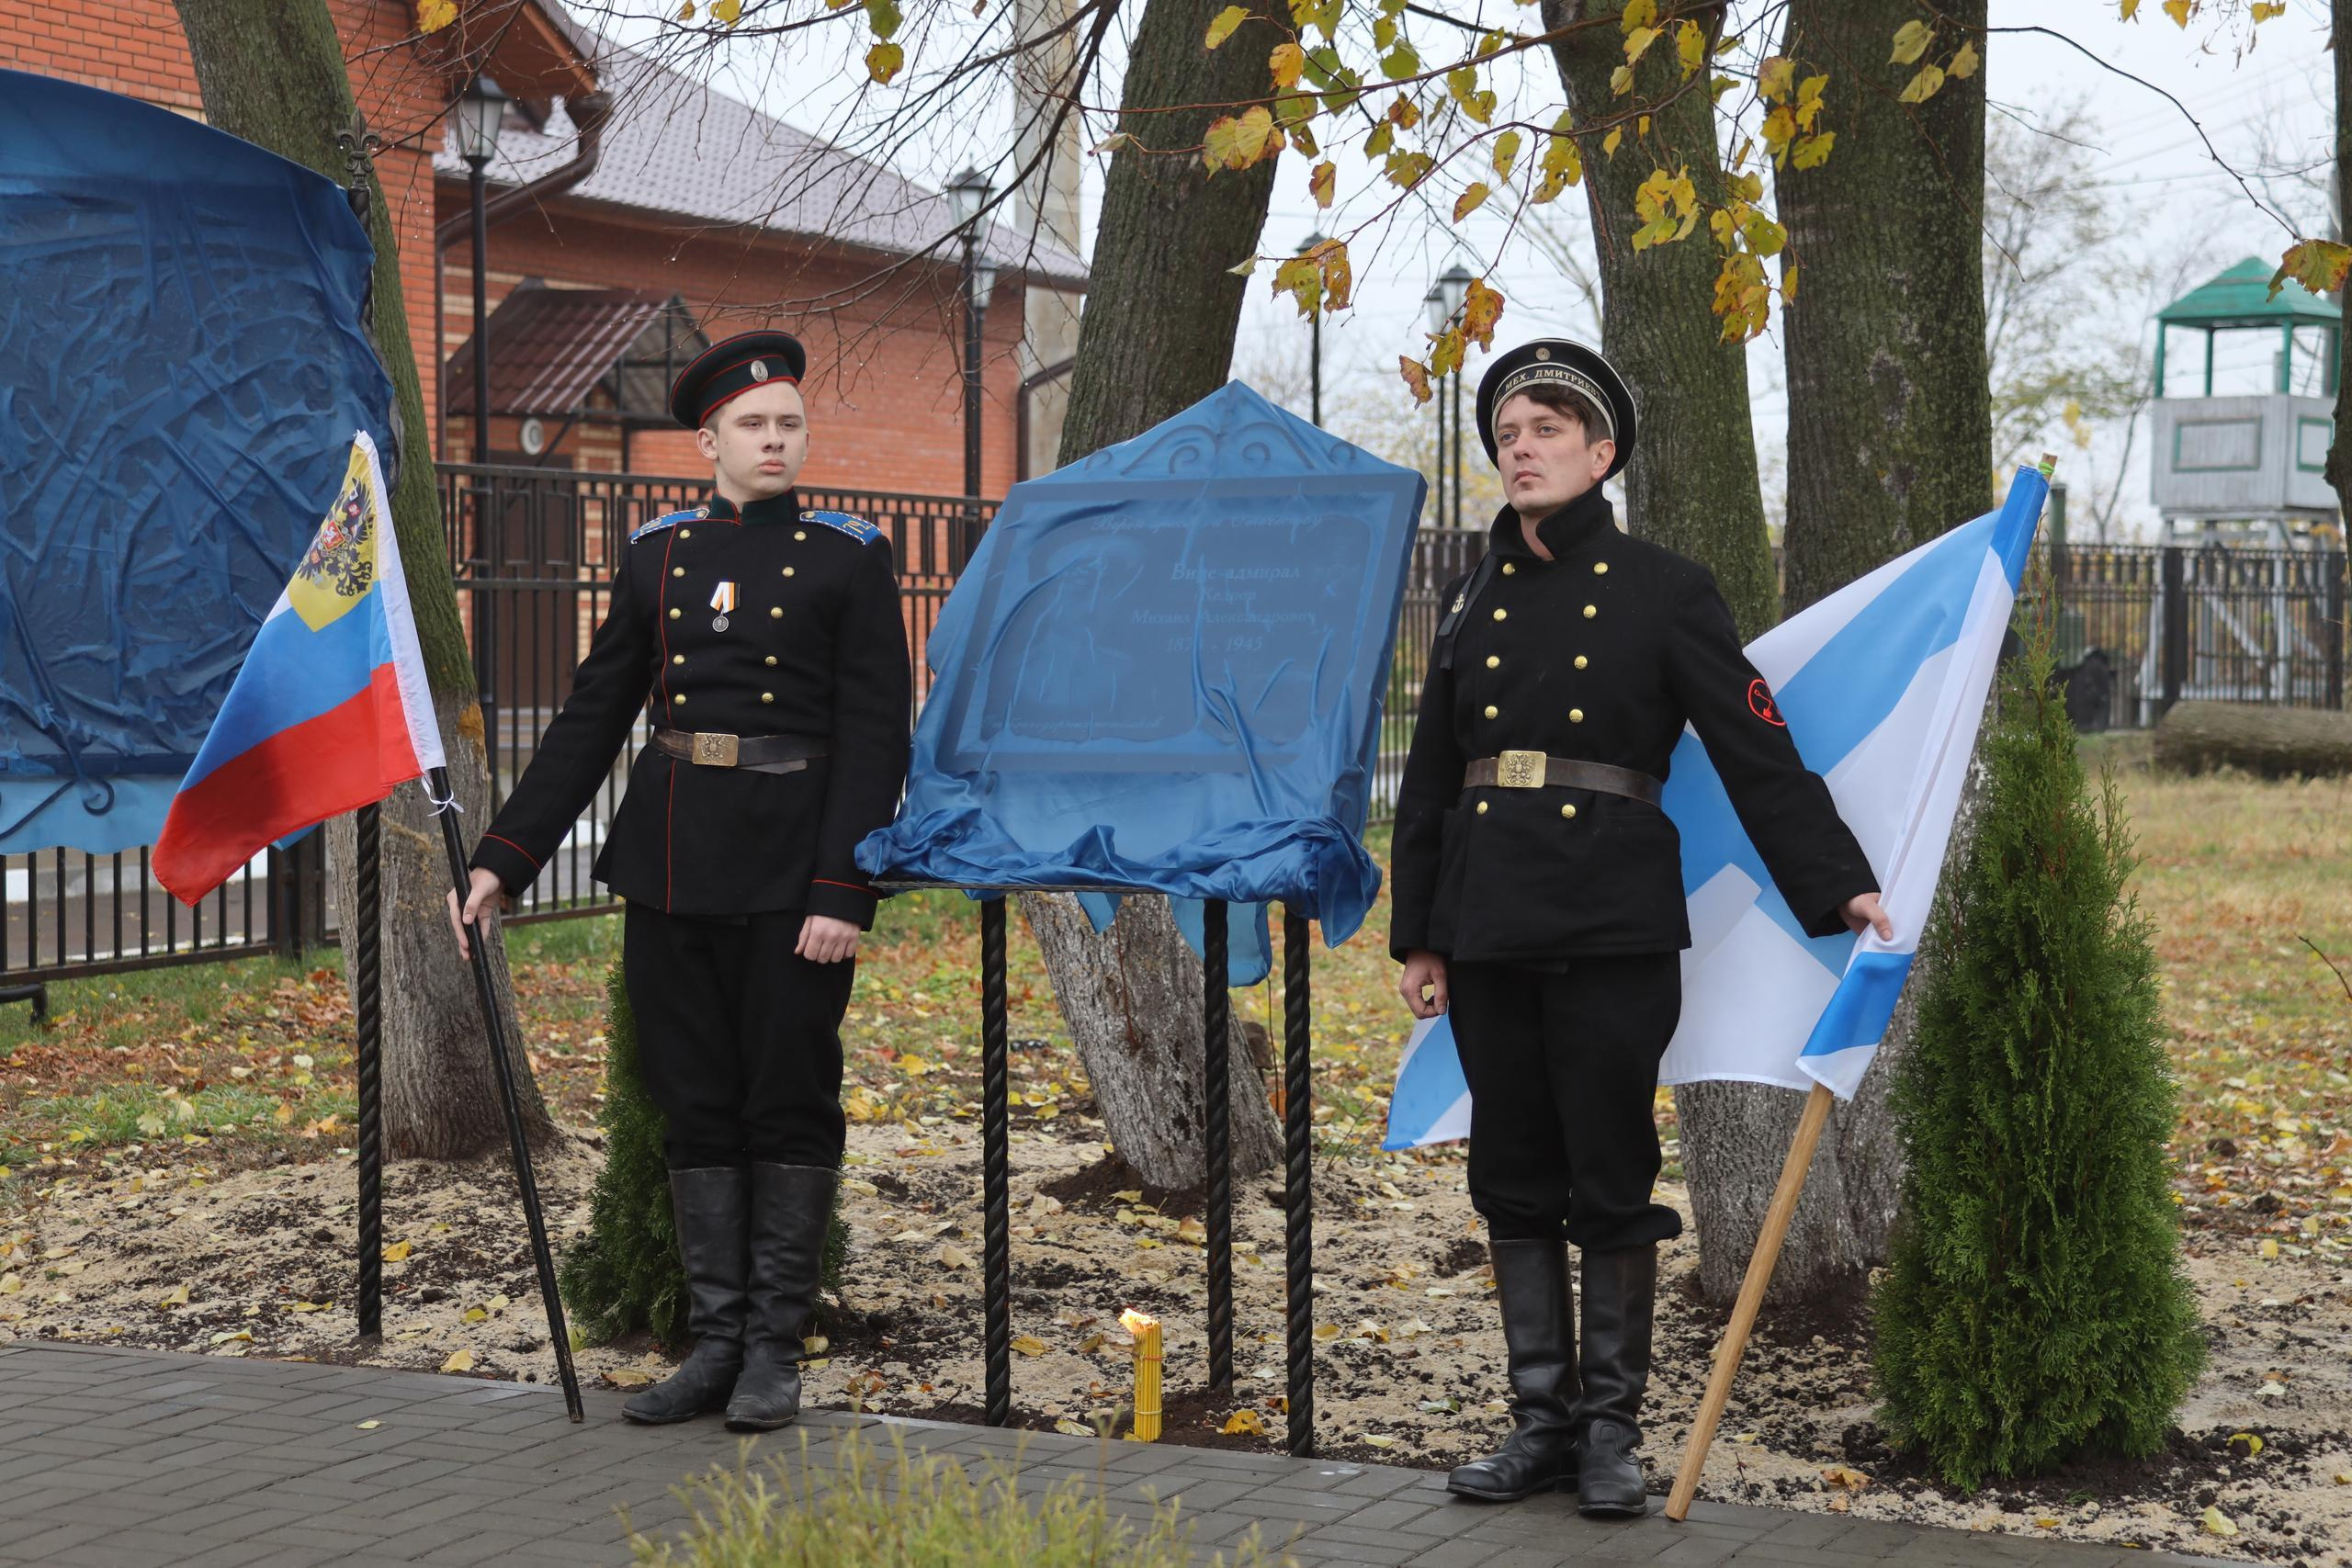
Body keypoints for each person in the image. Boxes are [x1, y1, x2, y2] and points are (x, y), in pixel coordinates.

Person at [1389, 338, 1891, 1515]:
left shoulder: (1668, 589)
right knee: (1512, 1176)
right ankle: (1540, 1424)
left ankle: (1611, 1434)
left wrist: (1839, 884)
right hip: (1489, 915)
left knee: (1610, 1175)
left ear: (1601, 452)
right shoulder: (1469, 590)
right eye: (1509, 433)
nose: (1522, 448)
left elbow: (1756, 750)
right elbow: (1429, 775)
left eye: (1548, 429)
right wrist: (1423, 931)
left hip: (1612, 915)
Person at [447, 330, 910, 1431]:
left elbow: (875, 736)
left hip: (798, 868)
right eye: (753, 426)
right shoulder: (659, 554)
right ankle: (712, 1346)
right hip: (670, 859)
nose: (774, 441)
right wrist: (505, 860)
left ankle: (772, 1352)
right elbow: (593, 717)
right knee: (693, 1104)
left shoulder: (850, 556)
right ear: (709, 440)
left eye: (789, 424)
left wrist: (845, 891)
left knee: (786, 1100)